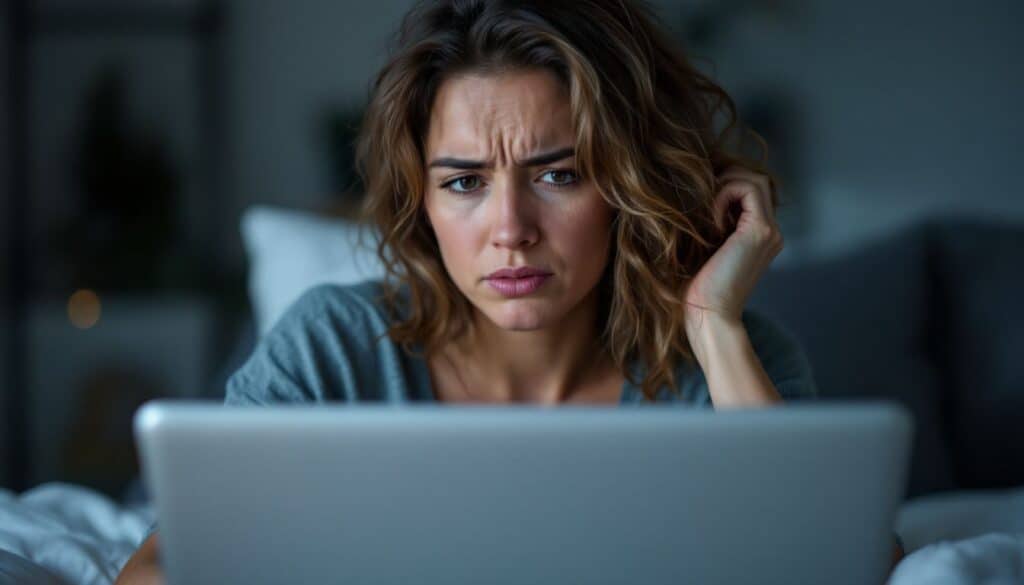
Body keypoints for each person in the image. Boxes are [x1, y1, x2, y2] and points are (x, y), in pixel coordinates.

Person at [116, 1, 904, 582]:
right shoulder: (331, 347)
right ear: (420, 202)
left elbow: (855, 567)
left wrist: (712, 321)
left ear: (631, 185)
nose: (511, 227)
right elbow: (155, 570)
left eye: (559, 174)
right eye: (464, 182)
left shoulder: (731, 362)